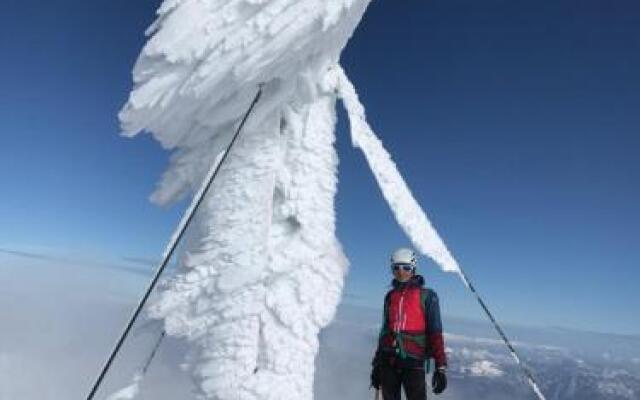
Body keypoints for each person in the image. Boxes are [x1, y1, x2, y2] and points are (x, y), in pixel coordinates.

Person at [370, 248, 448, 399]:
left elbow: (435, 332)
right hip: (388, 360)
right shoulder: (390, 296)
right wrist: (377, 365)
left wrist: (441, 367)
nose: (401, 272)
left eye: (406, 267)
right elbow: (385, 331)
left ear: (413, 268)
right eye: (396, 267)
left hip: (414, 361)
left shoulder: (427, 296)